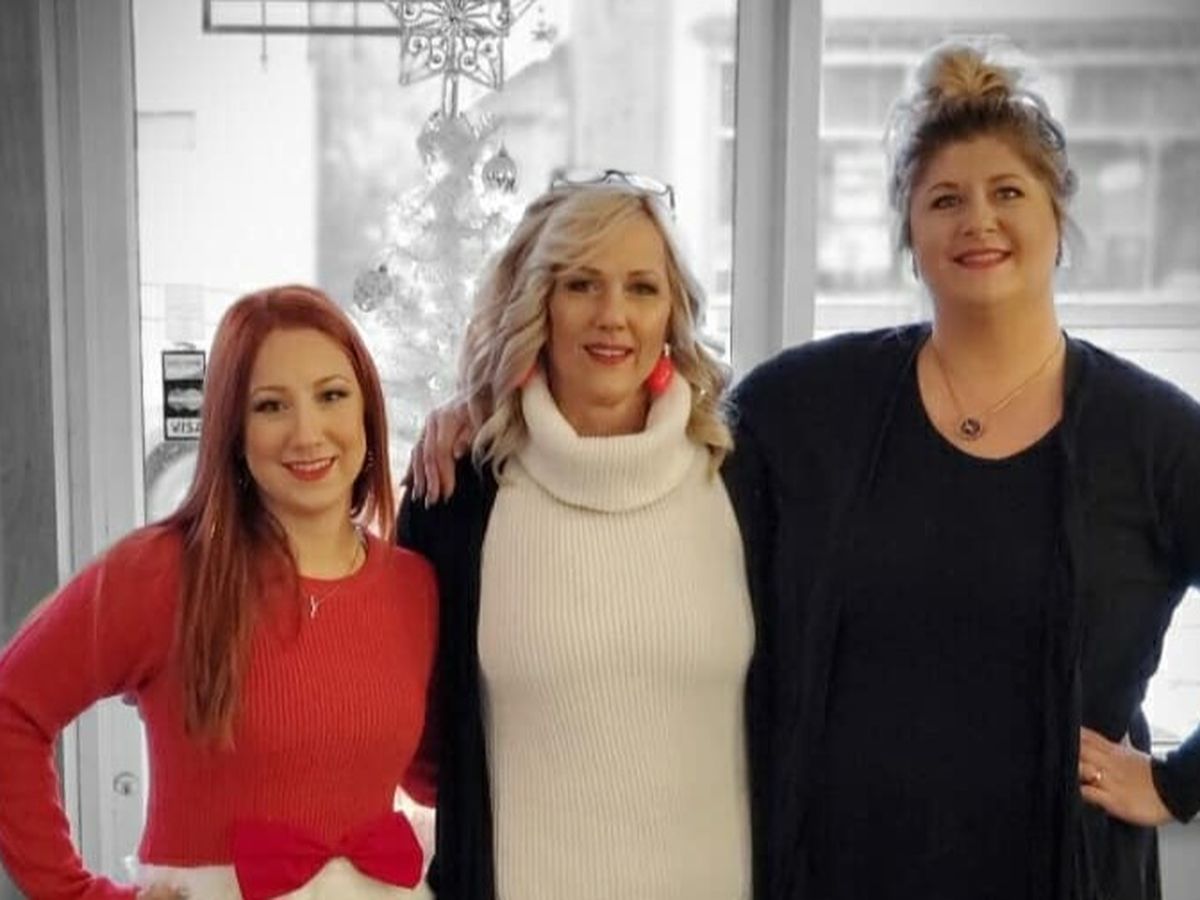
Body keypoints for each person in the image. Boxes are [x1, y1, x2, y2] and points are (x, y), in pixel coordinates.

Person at [411, 43, 1200, 900]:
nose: (978, 220)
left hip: (1065, 875)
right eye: (945, 199)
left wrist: (1176, 782)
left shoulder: (1152, 435)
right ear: (908, 234)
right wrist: (480, 409)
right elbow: (637, 429)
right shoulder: (814, 406)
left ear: (1059, 215)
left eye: (1008, 192)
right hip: (842, 876)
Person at [0, 285, 438, 900]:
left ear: (367, 409)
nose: (307, 433)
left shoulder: (414, 587)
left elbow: (432, 773)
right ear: (233, 429)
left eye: (332, 395)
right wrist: (75, 894)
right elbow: (11, 708)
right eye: (270, 406)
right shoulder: (161, 573)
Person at [397, 177, 763, 900]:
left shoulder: (744, 479)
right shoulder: (458, 496)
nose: (612, 316)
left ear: (672, 312)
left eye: (642, 288)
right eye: (581, 284)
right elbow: (421, 749)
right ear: (538, 302)